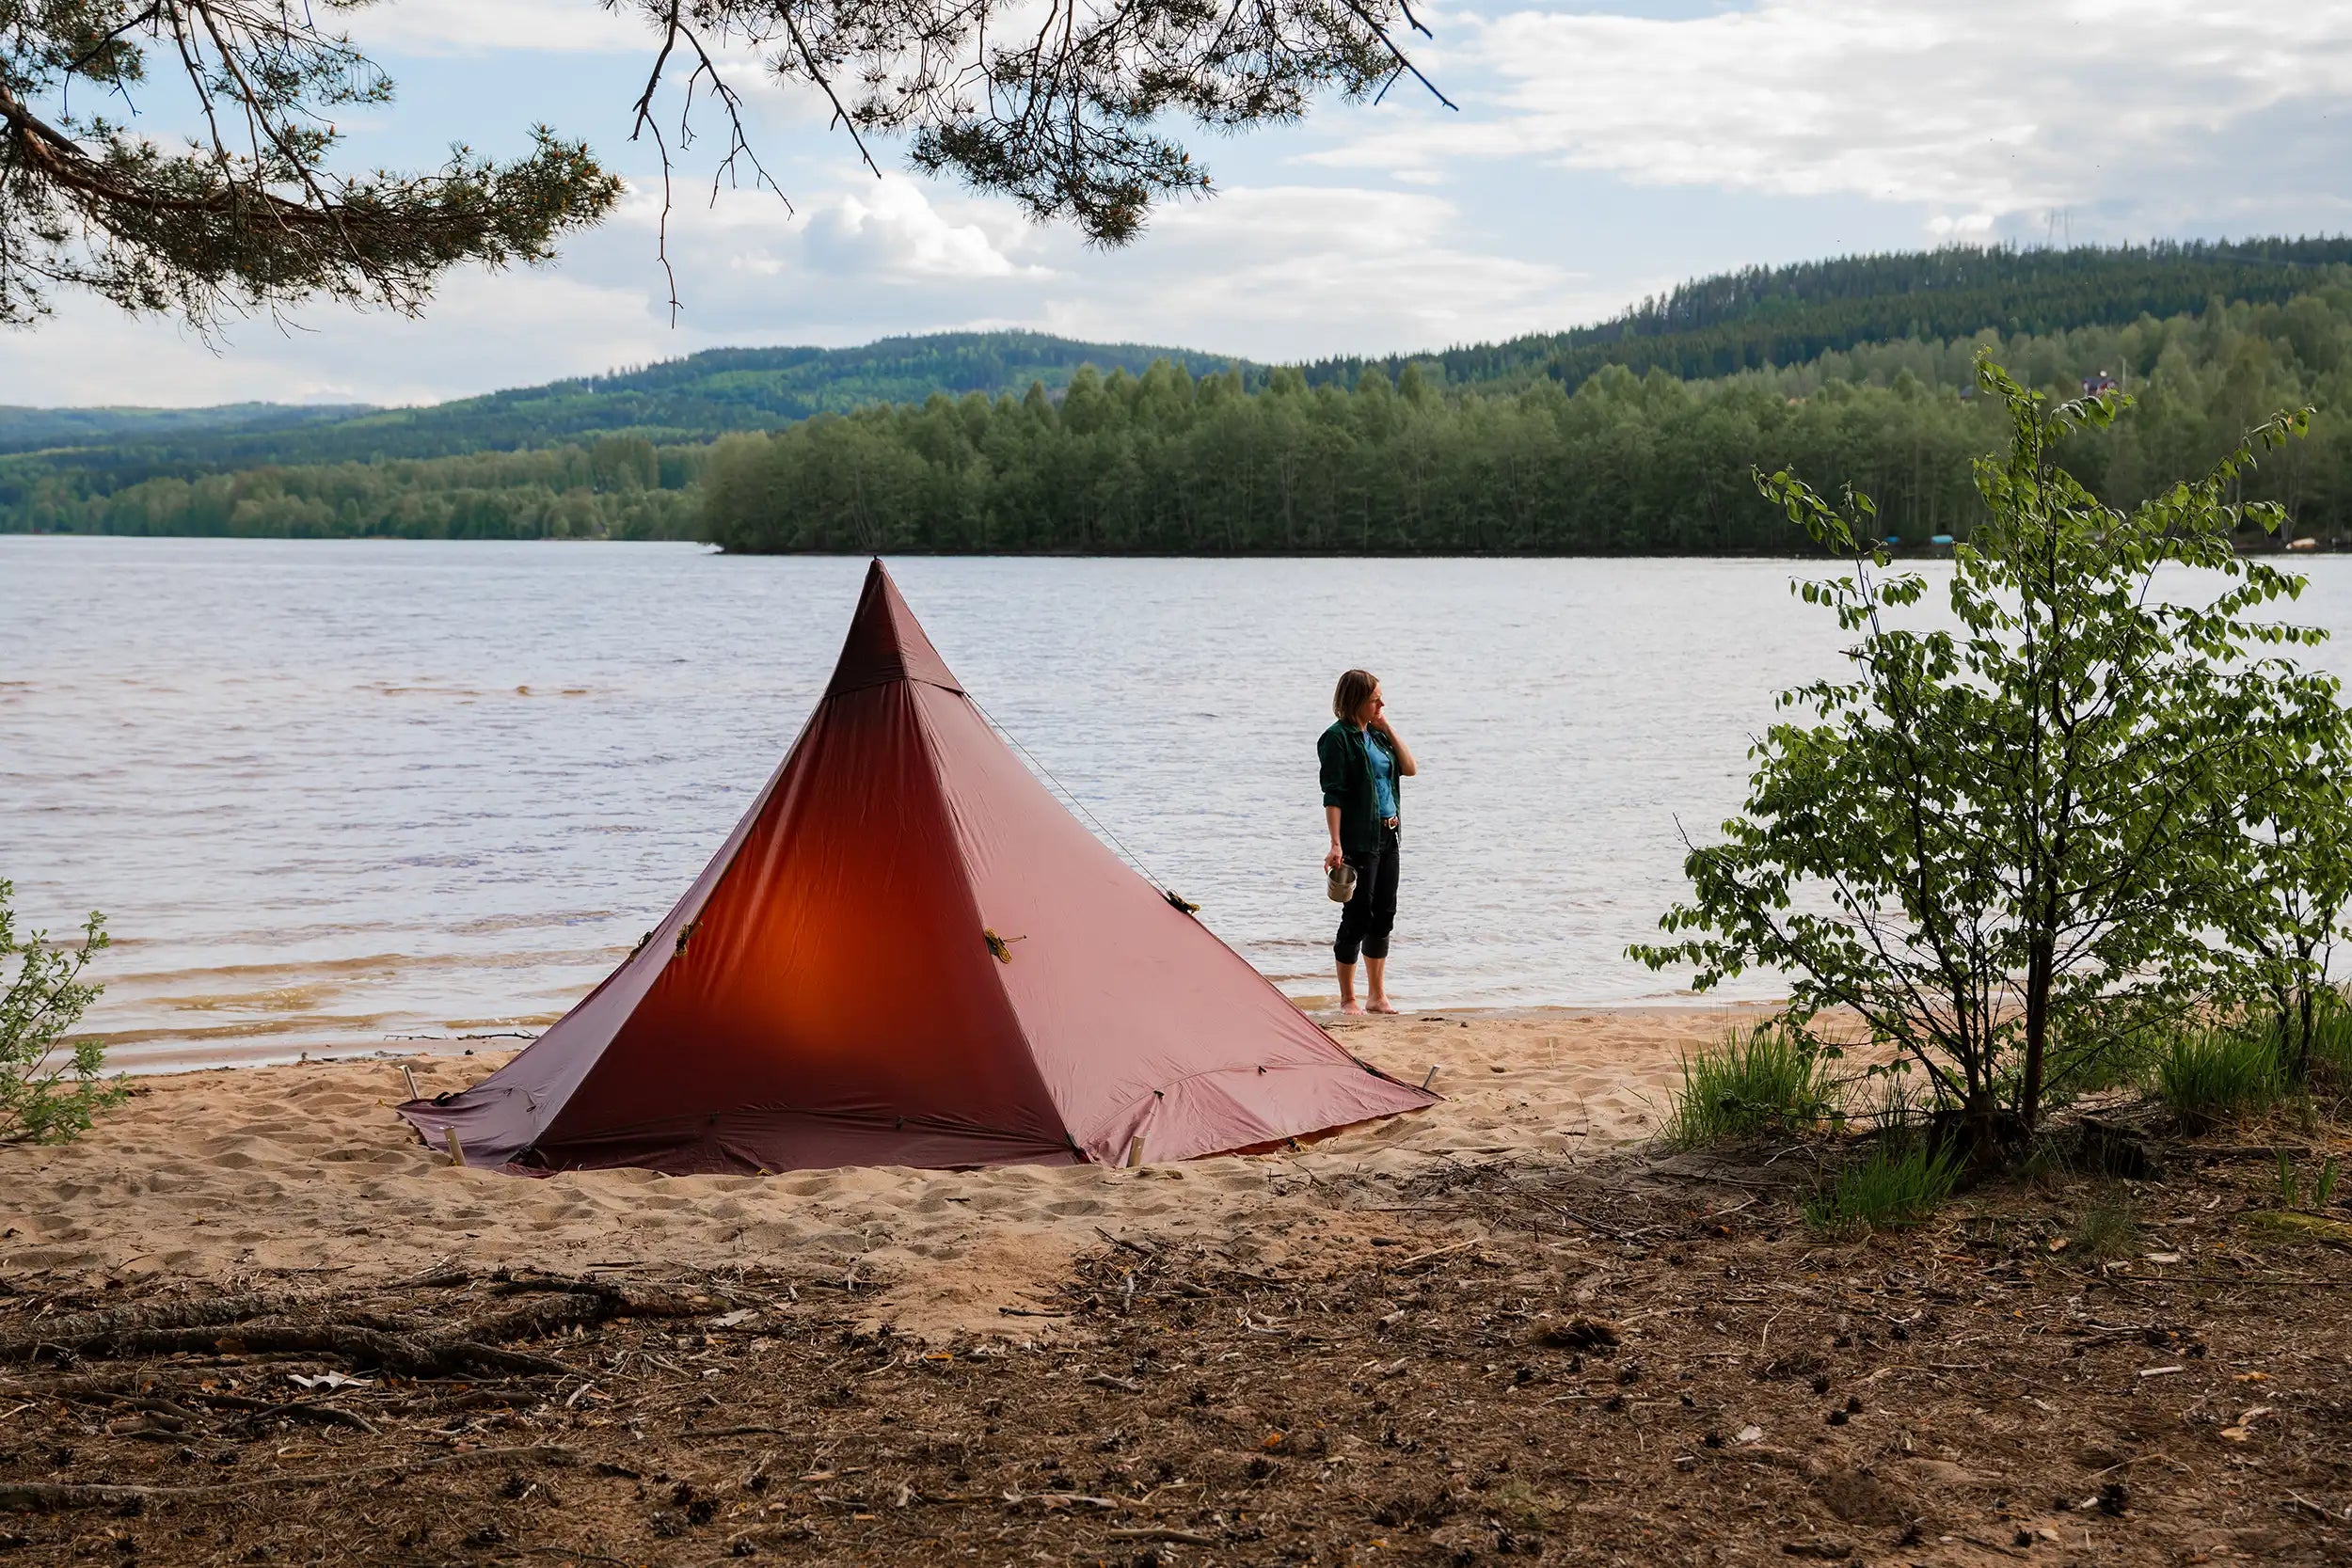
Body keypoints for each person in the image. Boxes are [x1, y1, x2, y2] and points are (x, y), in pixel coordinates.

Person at [1319, 669, 1418, 1015]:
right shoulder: (1337, 738)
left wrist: (1386, 727)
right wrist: (1335, 843)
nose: (1382, 703)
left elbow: (1410, 767)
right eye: (1376, 699)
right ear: (1357, 700)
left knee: (1384, 914)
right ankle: (1348, 999)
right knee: (1358, 915)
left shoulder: (1377, 736)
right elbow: (1333, 795)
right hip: (1359, 837)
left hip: (1389, 834)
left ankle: (1377, 996)